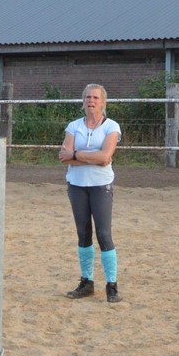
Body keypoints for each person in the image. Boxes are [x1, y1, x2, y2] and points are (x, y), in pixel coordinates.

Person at [58, 83, 123, 303]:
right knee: (83, 233)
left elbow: (105, 157)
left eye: (95, 97)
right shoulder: (74, 126)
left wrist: (76, 154)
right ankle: (87, 282)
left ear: (103, 102)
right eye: (87, 97)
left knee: (103, 234)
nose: (91, 101)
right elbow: (64, 157)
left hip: (100, 186)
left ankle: (112, 285)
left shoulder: (111, 127)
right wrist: (92, 156)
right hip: (77, 185)